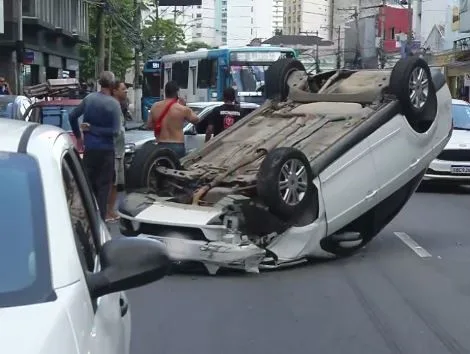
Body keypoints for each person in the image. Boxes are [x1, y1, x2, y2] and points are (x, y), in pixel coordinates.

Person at [69, 71, 121, 220]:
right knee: (104, 187)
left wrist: (79, 136)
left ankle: (87, 219)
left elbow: (72, 116)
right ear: (112, 85)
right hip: (106, 152)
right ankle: (100, 221)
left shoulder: (89, 99)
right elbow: (116, 132)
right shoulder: (114, 104)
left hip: (90, 149)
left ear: (99, 82)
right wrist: (95, 129)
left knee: (88, 186)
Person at [147, 80, 199, 159]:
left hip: (161, 145)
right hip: (177, 145)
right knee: (176, 170)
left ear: (165, 92)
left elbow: (149, 126)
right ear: (177, 92)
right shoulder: (182, 109)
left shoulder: (155, 106)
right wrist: (185, 105)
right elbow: (196, 120)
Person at [106, 80, 128, 222]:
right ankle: (106, 211)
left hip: (119, 151)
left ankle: (111, 210)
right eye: (123, 89)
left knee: (116, 183)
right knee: (110, 182)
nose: (125, 91)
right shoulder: (111, 106)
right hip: (112, 150)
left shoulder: (119, 106)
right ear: (114, 91)